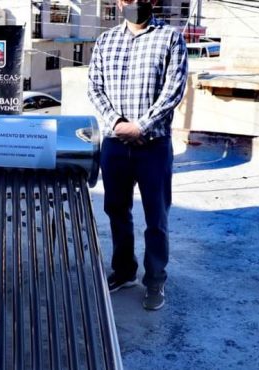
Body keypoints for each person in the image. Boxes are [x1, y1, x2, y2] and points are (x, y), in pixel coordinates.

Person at [87, 0, 188, 311]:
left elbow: (174, 90)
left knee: (156, 218)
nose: (133, 3)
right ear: (119, 3)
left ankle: (155, 280)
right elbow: (94, 87)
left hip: (153, 146)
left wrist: (141, 126)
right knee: (117, 211)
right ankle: (124, 271)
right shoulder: (106, 41)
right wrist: (117, 123)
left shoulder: (170, 38)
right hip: (115, 144)